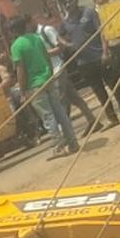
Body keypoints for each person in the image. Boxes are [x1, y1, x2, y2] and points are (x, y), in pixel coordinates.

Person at [57, 0, 120, 126]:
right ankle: (112, 118)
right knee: (99, 92)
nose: (68, 4)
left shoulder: (89, 12)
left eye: (70, 1)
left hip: (100, 57)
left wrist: (105, 52)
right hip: (83, 63)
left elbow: (102, 32)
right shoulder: (65, 22)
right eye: (65, 3)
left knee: (113, 86)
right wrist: (67, 44)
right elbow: (59, 36)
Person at [10, 15, 79, 158]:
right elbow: (47, 58)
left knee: (48, 116)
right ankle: (73, 143)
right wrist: (50, 75)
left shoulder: (16, 46)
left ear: (13, 31)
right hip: (48, 80)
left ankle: (58, 147)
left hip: (33, 85)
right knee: (60, 112)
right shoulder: (36, 38)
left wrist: (22, 91)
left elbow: (20, 71)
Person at [36, 11, 99, 136]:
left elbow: (60, 47)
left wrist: (44, 54)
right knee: (74, 97)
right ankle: (92, 120)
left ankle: (66, 133)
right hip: (52, 71)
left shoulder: (46, 30)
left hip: (57, 69)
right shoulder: (35, 36)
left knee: (60, 102)